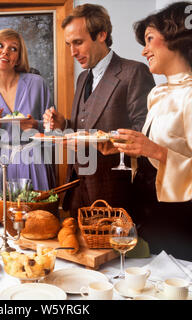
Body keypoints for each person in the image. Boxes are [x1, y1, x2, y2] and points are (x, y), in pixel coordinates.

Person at [110, 1, 192, 261]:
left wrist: (156, 151)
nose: (144, 51)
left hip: (171, 219)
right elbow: (150, 157)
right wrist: (127, 148)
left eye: (150, 39)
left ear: (177, 38)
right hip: (140, 211)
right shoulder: (157, 93)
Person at [43, 4, 155, 218]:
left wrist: (107, 142)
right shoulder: (82, 78)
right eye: (69, 45)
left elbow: (145, 133)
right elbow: (85, 124)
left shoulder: (134, 72)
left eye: (78, 42)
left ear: (101, 34)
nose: (73, 52)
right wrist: (64, 124)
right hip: (76, 191)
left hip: (114, 196)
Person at [0, 29, 55, 191]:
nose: (5, 52)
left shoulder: (37, 84)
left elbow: (55, 131)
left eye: (13, 48)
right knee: (4, 214)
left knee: (39, 214)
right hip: (2, 166)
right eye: (0, 45)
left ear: (18, 58)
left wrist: (36, 126)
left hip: (35, 162)